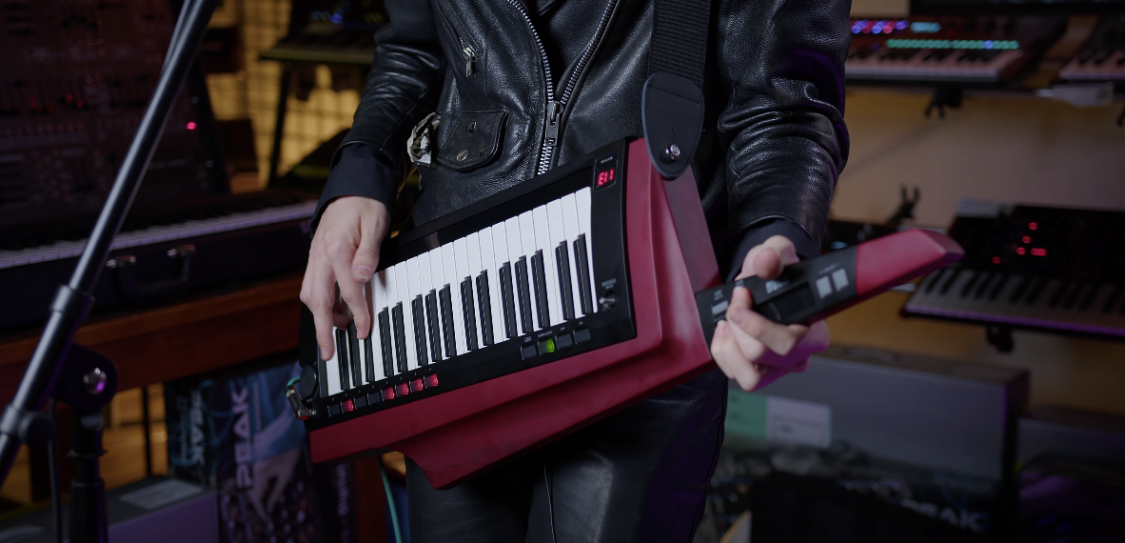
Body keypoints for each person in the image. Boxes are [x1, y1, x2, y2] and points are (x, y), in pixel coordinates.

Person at [300, 0, 849, 541]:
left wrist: (776, 233)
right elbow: (415, 45)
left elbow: (786, 106)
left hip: (648, 317)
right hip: (455, 305)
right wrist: (362, 168)